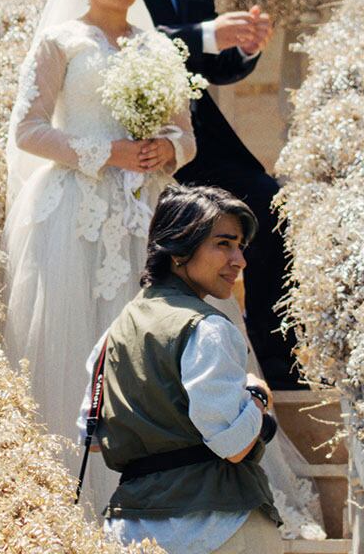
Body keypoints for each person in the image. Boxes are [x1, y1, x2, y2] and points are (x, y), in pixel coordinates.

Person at [2, 0, 196, 508]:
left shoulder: (159, 47)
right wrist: (104, 152)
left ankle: (162, 482)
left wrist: (164, 148)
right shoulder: (61, 41)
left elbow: (187, 138)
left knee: (152, 338)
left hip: (145, 212)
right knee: (75, 339)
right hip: (73, 215)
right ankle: (71, 494)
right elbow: (28, 132)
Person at [108, 0, 302, 390]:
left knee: (269, 200)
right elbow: (124, 37)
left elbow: (212, 64)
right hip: (126, 131)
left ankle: (279, 364)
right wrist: (204, 35)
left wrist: (242, 47)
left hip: (195, 133)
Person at [77, 185, 282, 554]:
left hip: (132, 533)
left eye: (240, 247)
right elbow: (233, 445)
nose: (239, 260)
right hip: (221, 527)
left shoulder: (114, 334)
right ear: (178, 250)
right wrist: (257, 396)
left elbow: (91, 437)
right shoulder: (207, 328)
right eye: (224, 244)